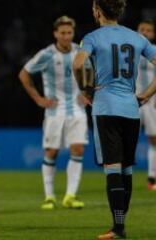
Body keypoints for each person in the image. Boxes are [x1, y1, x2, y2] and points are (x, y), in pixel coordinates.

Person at [73, 0, 156, 239]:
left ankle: (118, 228)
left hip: (106, 106)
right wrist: (147, 95)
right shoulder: (137, 38)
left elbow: (77, 63)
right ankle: (121, 223)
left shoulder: (92, 37)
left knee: (113, 168)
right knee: (127, 168)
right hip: (131, 108)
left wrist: (86, 90)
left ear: (97, 11)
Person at [19, 16, 90, 210]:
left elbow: (92, 73)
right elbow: (24, 74)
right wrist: (38, 99)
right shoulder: (46, 54)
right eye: (63, 33)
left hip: (77, 109)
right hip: (54, 110)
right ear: (55, 34)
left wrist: (87, 93)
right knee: (51, 152)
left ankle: (70, 195)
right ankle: (49, 197)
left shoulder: (80, 52)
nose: (66, 36)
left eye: (69, 33)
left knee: (78, 149)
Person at [136, 20, 156, 191]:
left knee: (154, 140)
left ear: (153, 34)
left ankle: (152, 178)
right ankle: (120, 175)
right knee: (124, 139)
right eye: (142, 29)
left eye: (148, 30)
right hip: (131, 102)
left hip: (151, 103)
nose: (145, 32)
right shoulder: (128, 50)